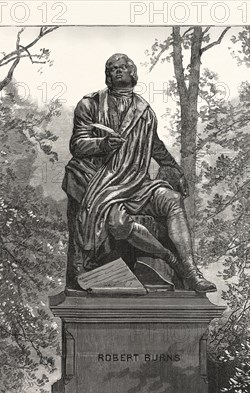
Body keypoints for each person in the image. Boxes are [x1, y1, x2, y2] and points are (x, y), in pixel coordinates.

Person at [62, 53, 216, 293]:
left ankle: (190, 270)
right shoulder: (89, 104)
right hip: (101, 179)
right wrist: (102, 145)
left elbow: (154, 145)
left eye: (123, 67)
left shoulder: (144, 110)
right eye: (113, 69)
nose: (118, 71)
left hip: (136, 181)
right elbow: (77, 144)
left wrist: (174, 169)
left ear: (133, 73)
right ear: (108, 76)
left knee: (172, 200)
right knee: (117, 223)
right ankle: (168, 258)